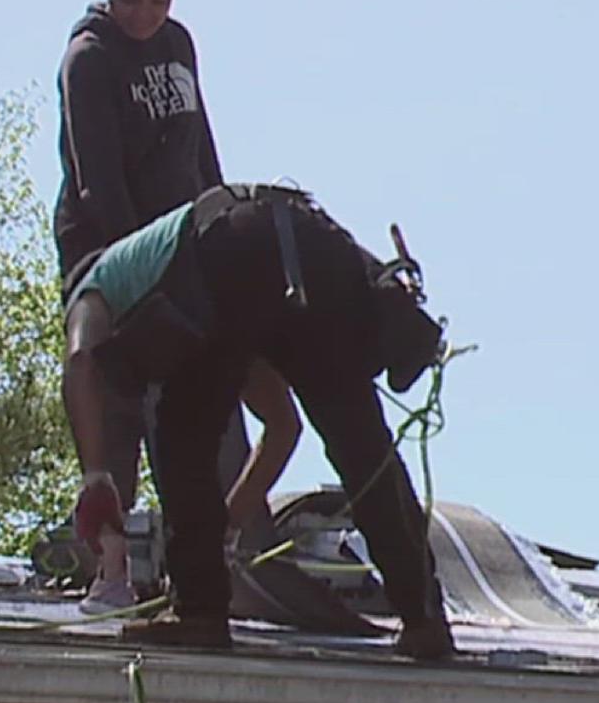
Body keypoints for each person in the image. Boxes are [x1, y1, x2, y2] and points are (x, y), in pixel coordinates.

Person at [65, 182, 455, 659]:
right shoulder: (236, 321)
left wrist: (96, 477)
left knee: (182, 426)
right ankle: (424, 618)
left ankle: (199, 612)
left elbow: (80, 361)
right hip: (312, 246)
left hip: (236, 244)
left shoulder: (97, 283)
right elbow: (282, 428)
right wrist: (224, 527)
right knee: (361, 442)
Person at [53, 0, 251, 613]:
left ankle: (215, 560)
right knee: (116, 401)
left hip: (183, 252)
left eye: (158, 1)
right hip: (113, 254)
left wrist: (223, 225)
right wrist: (138, 272)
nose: (144, 14)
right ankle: (110, 566)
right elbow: (97, 179)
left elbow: (200, 148)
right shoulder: (89, 59)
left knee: (207, 398)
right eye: (130, 0)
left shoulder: (178, 45)